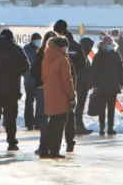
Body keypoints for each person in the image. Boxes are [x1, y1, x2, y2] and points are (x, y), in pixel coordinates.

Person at [39, 36, 76, 159]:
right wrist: (72, 96)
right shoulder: (62, 59)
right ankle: (54, 150)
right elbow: (67, 80)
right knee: (59, 125)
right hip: (61, 95)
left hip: (50, 94)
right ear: (61, 47)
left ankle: (44, 149)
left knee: (52, 124)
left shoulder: (47, 57)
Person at [53, 20, 86, 152]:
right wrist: (73, 74)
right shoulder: (75, 45)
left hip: (61, 83)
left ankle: (58, 142)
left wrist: (70, 72)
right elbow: (82, 64)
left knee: (58, 114)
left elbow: (82, 63)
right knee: (68, 112)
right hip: (70, 82)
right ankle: (69, 141)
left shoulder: (56, 45)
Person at [91, 36, 123, 136]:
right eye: (107, 43)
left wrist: (122, 81)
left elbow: (120, 69)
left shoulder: (116, 55)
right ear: (103, 43)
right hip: (101, 86)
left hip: (113, 85)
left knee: (111, 108)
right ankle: (102, 127)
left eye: (110, 43)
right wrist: (95, 84)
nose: (109, 44)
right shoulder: (98, 55)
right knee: (101, 108)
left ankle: (110, 127)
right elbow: (94, 71)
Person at [32, 31, 58, 155]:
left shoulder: (40, 53)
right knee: (53, 118)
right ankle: (51, 145)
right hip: (54, 89)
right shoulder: (60, 54)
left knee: (43, 118)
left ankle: (44, 145)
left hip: (42, 88)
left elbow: (33, 71)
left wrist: (39, 81)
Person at [22, 32, 42, 130]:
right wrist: (27, 76)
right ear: (33, 40)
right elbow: (22, 64)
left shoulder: (41, 50)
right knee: (29, 101)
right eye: (37, 40)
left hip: (38, 80)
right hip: (29, 80)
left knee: (39, 102)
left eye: (40, 40)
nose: (38, 42)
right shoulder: (26, 49)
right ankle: (29, 122)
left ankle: (38, 122)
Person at [75, 37, 94, 135]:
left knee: (80, 106)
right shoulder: (80, 57)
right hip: (81, 85)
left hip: (84, 84)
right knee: (79, 106)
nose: (91, 49)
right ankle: (78, 125)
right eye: (90, 47)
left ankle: (79, 124)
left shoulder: (84, 56)